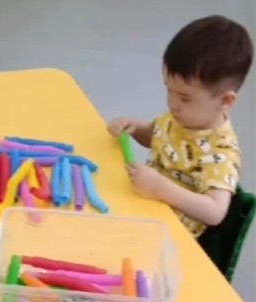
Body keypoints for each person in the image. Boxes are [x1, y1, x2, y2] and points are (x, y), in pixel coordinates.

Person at [108, 15, 253, 238]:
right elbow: (157, 138)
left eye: (185, 98)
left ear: (225, 101)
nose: (172, 103)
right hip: (142, 209)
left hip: (168, 237)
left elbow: (214, 212)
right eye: (169, 90)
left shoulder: (221, 151)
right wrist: (135, 128)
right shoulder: (184, 117)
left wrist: (159, 188)